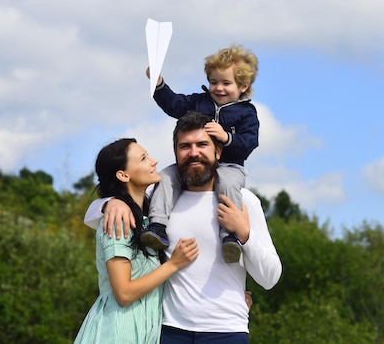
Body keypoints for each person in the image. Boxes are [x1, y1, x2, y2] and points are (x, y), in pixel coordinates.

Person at [84, 111, 281, 344]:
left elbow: (270, 278)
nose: (194, 152)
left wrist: (245, 234)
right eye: (185, 146)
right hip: (168, 331)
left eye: (202, 144)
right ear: (176, 152)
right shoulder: (160, 200)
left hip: (227, 330)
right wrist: (110, 203)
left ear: (218, 151)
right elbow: (101, 208)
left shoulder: (243, 201)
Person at [142, 44, 259, 264]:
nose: (218, 88)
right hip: (194, 166)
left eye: (226, 83)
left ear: (243, 86)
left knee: (227, 183)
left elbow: (249, 143)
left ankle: (230, 236)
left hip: (230, 167)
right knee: (166, 176)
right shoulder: (199, 102)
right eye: (214, 82)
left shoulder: (247, 113)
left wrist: (226, 137)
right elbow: (174, 104)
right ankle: (157, 226)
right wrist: (158, 85)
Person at [74, 138, 198, 344]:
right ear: (123, 175)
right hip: (115, 334)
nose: (154, 161)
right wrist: (174, 264)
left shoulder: (151, 220)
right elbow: (123, 292)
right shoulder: (118, 220)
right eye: (143, 158)